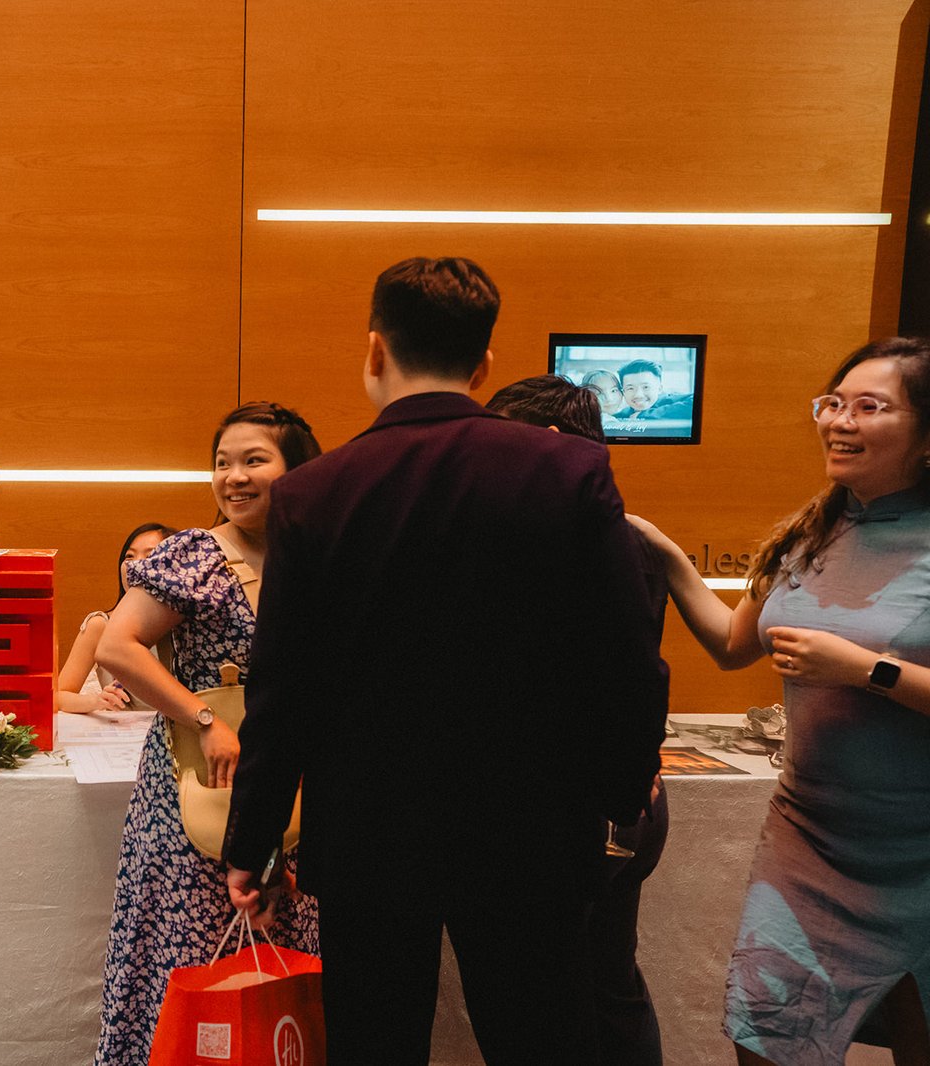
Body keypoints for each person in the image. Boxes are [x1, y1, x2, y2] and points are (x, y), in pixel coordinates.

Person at [224, 257, 668, 1065]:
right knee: (541, 1040)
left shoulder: (315, 492)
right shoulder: (569, 469)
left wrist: (251, 841)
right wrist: (618, 789)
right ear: (484, 363)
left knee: (375, 1044)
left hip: (370, 833)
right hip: (534, 826)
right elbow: (628, 652)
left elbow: (282, 689)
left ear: (374, 350)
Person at [633, 337, 930, 1065]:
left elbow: (860, 670)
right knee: (767, 1038)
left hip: (920, 851)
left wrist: (865, 670)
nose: (840, 421)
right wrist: (667, 555)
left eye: (870, 407)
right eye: (833, 403)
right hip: (810, 842)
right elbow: (734, 644)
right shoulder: (811, 532)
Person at [91, 402, 323, 1066]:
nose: (233, 477)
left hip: (296, 782)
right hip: (196, 781)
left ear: (297, 470)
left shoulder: (319, 552)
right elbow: (117, 647)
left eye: (254, 460)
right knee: (189, 944)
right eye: (223, 463)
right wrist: (204, 718)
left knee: (287, 951)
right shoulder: (194, 555)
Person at [485, 373, 670, 1066]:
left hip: (582, 805)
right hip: (619, 796)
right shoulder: (621, 536)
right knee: (607, 982)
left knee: (552, 996)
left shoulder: (566, 539)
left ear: (550, 443)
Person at [56, 522, 175, 714]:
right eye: (129, 556)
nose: (134, 564)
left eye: (150, 555)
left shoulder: (189, 627)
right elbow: (58, 696)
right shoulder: (100, 625)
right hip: (122, 729)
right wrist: (96, 701)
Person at [614, 359, 693, 420]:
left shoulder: (669, 400)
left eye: (646, 387)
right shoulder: (622, 415)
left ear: (659, 389)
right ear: (623, 392)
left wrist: (644, 415)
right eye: (630, 388)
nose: (638, 395)